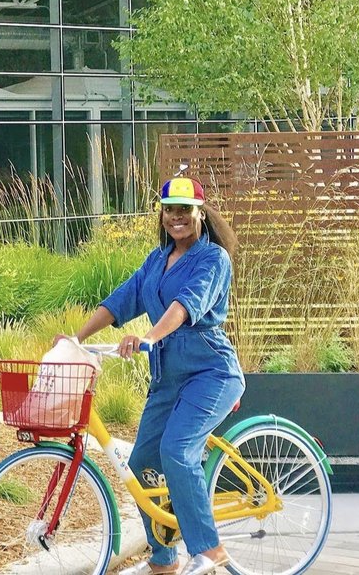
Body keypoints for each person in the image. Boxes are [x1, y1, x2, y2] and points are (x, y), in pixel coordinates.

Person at [57, 176, 244, 575]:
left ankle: (210, 551)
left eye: (184, 210)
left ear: (200, 213)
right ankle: (163, 559)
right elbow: (120, 301)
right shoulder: (155, 261)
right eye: (169, 210)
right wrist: (77, 337)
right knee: (142, 461)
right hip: (168, 378)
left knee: (177, 452)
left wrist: (147, 337)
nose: (176, 217)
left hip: (211, 373)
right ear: (161, 215)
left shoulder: (213, 259)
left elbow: (182, 307)